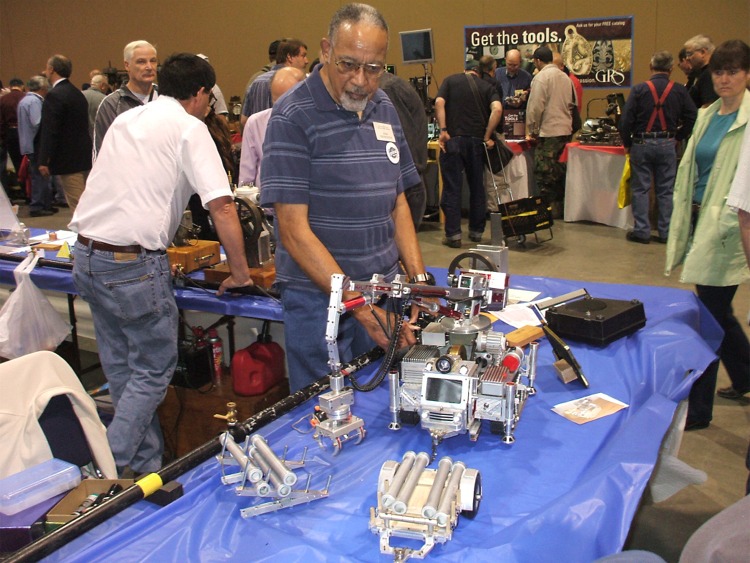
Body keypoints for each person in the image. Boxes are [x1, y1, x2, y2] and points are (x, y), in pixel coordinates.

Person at [69, 53, 253, 475]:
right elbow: (223, 207)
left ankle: (144, 468)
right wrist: (241, 274)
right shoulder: (190, 127)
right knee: (153, 371)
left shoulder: (126, 120)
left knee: (124, 372)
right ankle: (105, 472)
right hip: (130, 264)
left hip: (87, 255)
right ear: (201, 94)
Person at [260, 3, 428, 392]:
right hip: (319, 302)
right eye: (348, 65)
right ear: (326, 50)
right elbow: (293, 231)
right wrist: (358, 307)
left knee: (378, 402)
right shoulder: (292, 116)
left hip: (380, 294)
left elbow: (398, 202)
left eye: (373, 68)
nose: (360, 80)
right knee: (324, 408)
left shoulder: (384, 106)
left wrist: (418, 281)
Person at [665, 39, 750, 431]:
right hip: (700, 220)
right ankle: (746, 375)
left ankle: (699, 409)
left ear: (746, 74)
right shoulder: (707, 114)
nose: (724, 79)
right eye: (718, 71)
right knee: (719, 312)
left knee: (708, 319)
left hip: (730, 228)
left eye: (732, 71)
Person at [619, 50, 697, 244]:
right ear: (671, 69)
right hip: (667, 143)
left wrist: (627, 143)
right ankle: (666, 232)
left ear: (650, 66)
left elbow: (625, 120)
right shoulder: (679, 90)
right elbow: (692, 116)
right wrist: (679, 136)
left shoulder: (639, 89)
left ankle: (642, 231)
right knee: (666, 189)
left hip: (641, 143)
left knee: (641, 188)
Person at [435, 59, 502, 246]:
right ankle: (476, 231)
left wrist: (443, 130)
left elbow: (439, 102)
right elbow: (497, 109)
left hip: (453, 140)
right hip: (476, 142)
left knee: (452, 187)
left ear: (464, 70)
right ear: (479, 72)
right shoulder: (487, 87)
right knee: (477, 187)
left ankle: (453, 235)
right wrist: (487, 135)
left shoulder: (450, 81)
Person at [37, 54, 91, 211]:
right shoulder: (77, 93)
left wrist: (43, 159)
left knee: (78, 206)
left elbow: (50, 130)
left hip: (68, 161)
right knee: (86, 202)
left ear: (51, 69)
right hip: (83, 156)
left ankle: (84, 229)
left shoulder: (54, 95)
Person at [525, 46, 575, 216]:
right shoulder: (565, 78)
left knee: (545, 172)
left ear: (537, 61)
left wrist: (532, 130)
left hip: (549, 132)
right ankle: (559, 209)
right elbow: (572, 104)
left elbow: (535, 107)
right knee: (560, 171)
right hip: (565, 131)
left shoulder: (541, 78)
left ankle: (547, 211)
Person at [238, 66, 306, 189]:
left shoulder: (318, 123)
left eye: (288, 101)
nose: (281, 108)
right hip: (264, 198)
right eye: (276, 101)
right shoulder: (255, 123)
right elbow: (246, 179)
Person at [379, 70, 429, 229]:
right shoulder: (390, 86)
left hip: (404, 182)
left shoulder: (387, 89)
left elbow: (395, 136)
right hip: (407, 177)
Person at [93, 40, 158, 156]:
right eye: (141, 62)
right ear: (127, 65)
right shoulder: (111, 104)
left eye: (153, 61)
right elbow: (101, 152)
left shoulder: (168, 97)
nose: (149, 67)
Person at [240, 39, 308, 127]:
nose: (307, 61)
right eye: (303, 56)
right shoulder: (295, 82)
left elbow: (244, 120)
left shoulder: (256, 81)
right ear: (289, 57)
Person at [17, 75, 56, 216]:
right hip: (37, 144)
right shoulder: (34, 101)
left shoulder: (25, 100)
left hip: (28, 143)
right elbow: (38, 122)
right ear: (43, 88)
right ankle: (38, 206)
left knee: (37, 176)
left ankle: (44, 204)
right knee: (40, 177)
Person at [0, 78, 25, 197]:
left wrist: (3, 136)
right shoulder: (25, 97)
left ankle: (11, 191)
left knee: (13, 163)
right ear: (22, 86)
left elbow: (1, 121)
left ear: (10, 87)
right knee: (26, 162)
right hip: (24, 132)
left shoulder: (3, 99)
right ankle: (26, 191)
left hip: (9, 133)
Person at [684, 34, 719, 108]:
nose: (687, 58)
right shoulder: (697, 74)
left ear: (703, 52)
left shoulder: (709, 75)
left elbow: (709, 106)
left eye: (689, 54)